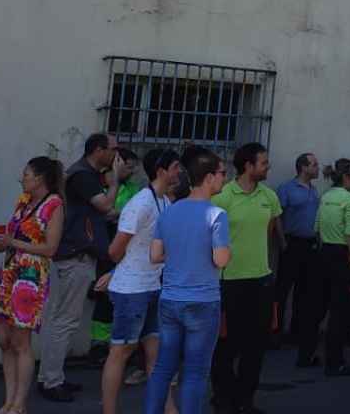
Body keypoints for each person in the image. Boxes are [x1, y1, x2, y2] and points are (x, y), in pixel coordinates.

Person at [146, 150, 232, 414]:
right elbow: (221, 260)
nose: (224, 179)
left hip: (170, 299)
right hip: (203, 301)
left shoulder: (169, 210)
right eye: (221, 173)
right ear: (208, 178)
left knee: (162, 368)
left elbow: (155, 255)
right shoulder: (216, 215)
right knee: (195, 373)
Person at [97, 150, 178, 414]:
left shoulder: (164, 201)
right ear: (161, 170)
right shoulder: (141, 203)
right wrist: (118, 271)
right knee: (121, 352)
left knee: (156, 356)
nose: (179, 172)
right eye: (175, 166)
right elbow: (115, 250)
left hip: (153, 287)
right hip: (132, 290)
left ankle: (168, 409)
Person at [41, 133, 118, 403]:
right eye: (113, 150)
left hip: (74, 254)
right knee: (64, 320)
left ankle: (51, 376)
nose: (116, 155)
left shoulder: (83, 175)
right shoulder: (83, 176)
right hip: (76, 256)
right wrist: (117, 177)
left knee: (58, 319)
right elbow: (106, 205)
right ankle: (51, 381)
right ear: (98, 150)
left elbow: (104, 212)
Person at [0, 156, 65, 414]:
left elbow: (50, 248)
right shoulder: (22, 202)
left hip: (30, 278)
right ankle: (8, 400)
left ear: (40, 178)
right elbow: (13, 237)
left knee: (21, 340)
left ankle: (19, 403)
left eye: (26, 174)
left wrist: (13, 243)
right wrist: (3, 243)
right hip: (9, 271)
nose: (22, 179)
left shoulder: (54, 204)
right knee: (4, 339)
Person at [210, 143, 281, 414]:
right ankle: (222, 399)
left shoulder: (269, 196)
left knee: (255, 348)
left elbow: (269, 232)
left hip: (260, 281)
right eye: (263, 163)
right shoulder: (223, 197)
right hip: (229, 282)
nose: (268, 167)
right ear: (248, 166)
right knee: (226, 345)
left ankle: (245, 400)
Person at [308, 160, 350, 376]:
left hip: (323, 254)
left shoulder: (326, 196)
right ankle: (335, 362)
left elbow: (317, 228)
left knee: (316, 308)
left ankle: (306, 355)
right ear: (347, 177)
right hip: (341, 256)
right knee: (339, 312)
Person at [273, 153, 321, 350]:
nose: (318, 168)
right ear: (303, 167)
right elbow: (277, 216)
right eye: (314, 165)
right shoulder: (286, 189)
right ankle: (275, 333)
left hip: (310, 245)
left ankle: (296, 332)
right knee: (283, 290)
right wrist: (282, 241)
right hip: (292, 244)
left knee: (304, 291)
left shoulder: (314, 190)